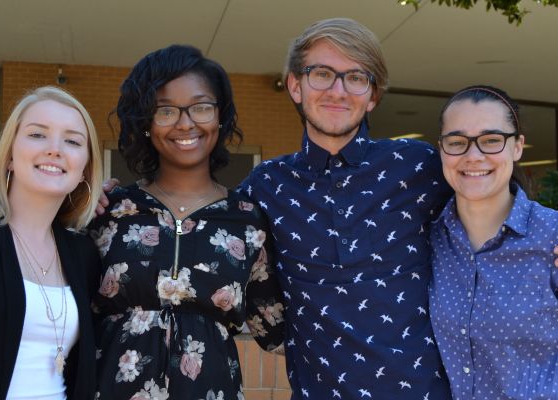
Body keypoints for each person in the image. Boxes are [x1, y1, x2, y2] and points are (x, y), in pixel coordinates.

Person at [238, 18, 454, 399]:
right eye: (322, 73)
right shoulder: (266, 185)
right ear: (295, 86)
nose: (338, 90)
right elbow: (205, 234)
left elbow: (496, 220)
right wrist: (99, 200)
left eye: (355, 77)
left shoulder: (420, 166)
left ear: (373, 95)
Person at [88, 45, 284, 400]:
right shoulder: (110, 212)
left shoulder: (247, 219)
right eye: (165, 110)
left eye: (201, 106)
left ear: (220, 116)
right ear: (145, 123)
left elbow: (275, 331)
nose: (185, 122)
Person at [0, 86, 103, 399]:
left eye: (73, 140)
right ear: (10, 155)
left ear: (84, 171)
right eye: (38, 134)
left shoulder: (83, 254)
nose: (55, 149)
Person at [429, 85, 558, 399]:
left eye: (491, 140)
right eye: (457, 142)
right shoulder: (426, 241)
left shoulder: (551, 236)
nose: (473, 156)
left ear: (517, 147)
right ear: (442, 149)